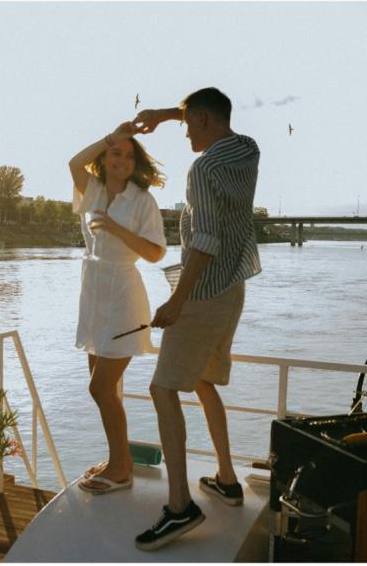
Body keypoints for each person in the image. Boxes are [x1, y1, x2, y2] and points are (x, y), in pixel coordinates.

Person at [131, 88, 261, 551]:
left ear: (204, 120)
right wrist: (164, 115)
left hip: (202, 292)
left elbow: (203, 240)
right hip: (233, 288)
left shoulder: (203, 169)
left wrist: (176, 302)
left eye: (188, 123)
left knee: (163, 389)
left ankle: (180, 507)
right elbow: (206, 111)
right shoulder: (247, 149)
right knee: (203, 381)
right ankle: (227, 479)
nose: (184, 130)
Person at [69, 121, 168, 495]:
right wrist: (111, 134)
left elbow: (156, 253)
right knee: (105, 390)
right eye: (115, 152)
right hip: (93, 295)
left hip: (124, 297)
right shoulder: (91, 188)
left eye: (128, 155)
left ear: (135, 162)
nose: (122, 160)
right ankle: (117, 460)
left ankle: (122, 467)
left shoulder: (142, 200)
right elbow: (73, 163)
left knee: (100, 388)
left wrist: (114, 227)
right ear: (105, 156)